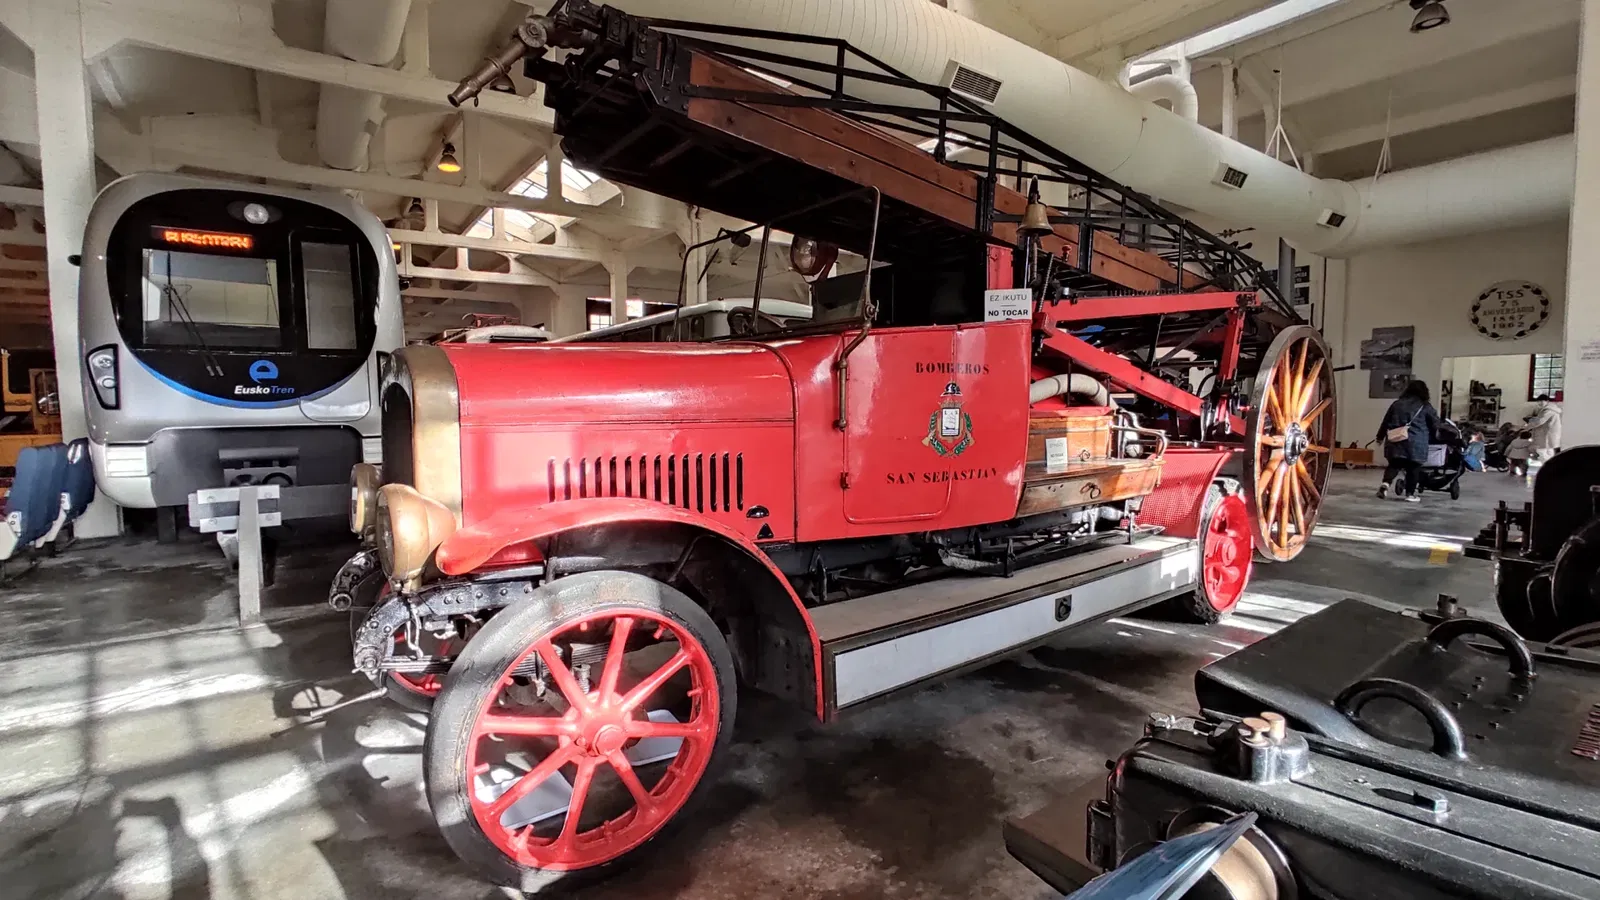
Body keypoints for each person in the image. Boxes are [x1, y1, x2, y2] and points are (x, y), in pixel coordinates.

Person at [1375, 379, 1440, 502]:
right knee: (1413, 468)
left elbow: (1386, 421)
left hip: (1396, 440)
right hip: (1416, 442)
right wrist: (1436, 437)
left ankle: (1385, 485)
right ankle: (1410, 494)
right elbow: (1435, 424)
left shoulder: (1397, 404)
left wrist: (1380, 437)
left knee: (1394, 464)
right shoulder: (1425, 406)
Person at [1524, 394, 1562, 461]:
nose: (1540, 403)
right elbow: (1540, 419)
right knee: (1549, 451)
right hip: (1548, 433)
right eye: (1538, 401)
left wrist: (1528, 425)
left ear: (1547, 401)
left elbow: (1540, 421)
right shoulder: (1550, 409)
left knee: (1543, 451)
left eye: (1542, 401)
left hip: (1547, 434)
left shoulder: (1549, 410)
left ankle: (1547, 465)